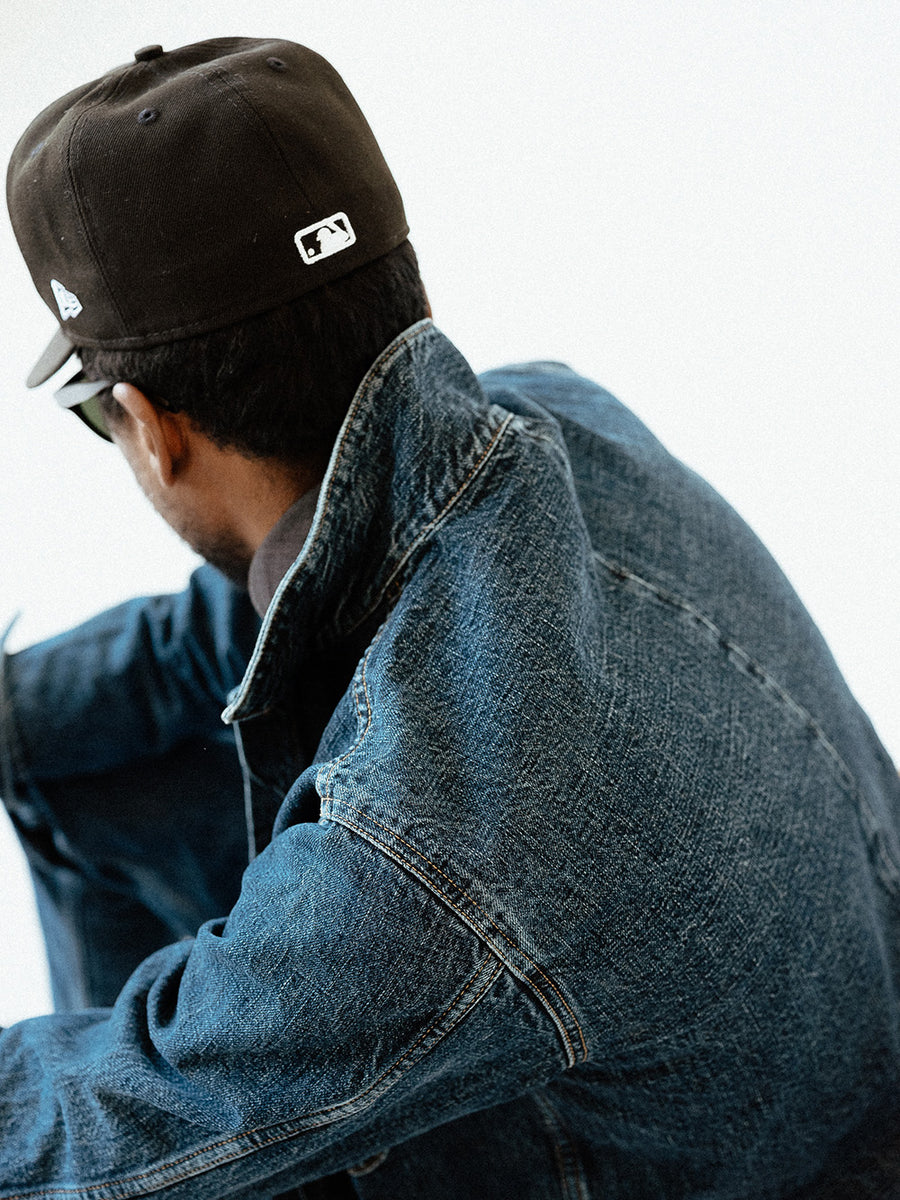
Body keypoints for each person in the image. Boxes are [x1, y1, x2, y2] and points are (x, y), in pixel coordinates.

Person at [1, 35, 898, 1200]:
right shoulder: (555, 421)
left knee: (110, 1131)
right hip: (825, 1072)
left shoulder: (432, 844)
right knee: (82, 768)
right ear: (405, 296)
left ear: (151, 426)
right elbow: (209, 645)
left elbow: (137, 1098)